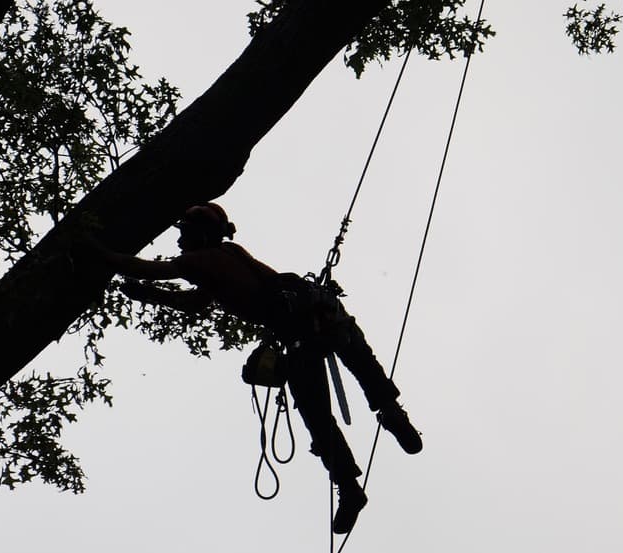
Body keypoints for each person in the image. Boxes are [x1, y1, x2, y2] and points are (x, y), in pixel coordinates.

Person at [97, 202, 422, 534]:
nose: (179, 242)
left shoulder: (200, 260)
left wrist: (98, 253)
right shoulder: (228, 257)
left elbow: (143, 268)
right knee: (361, 365)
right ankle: (391, 411)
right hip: (323, 316)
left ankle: (349, 486)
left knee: (317, 418)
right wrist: (149, 297)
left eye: (184, 234)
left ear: (200, 235)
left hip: (300, 337)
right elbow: (193, 303)